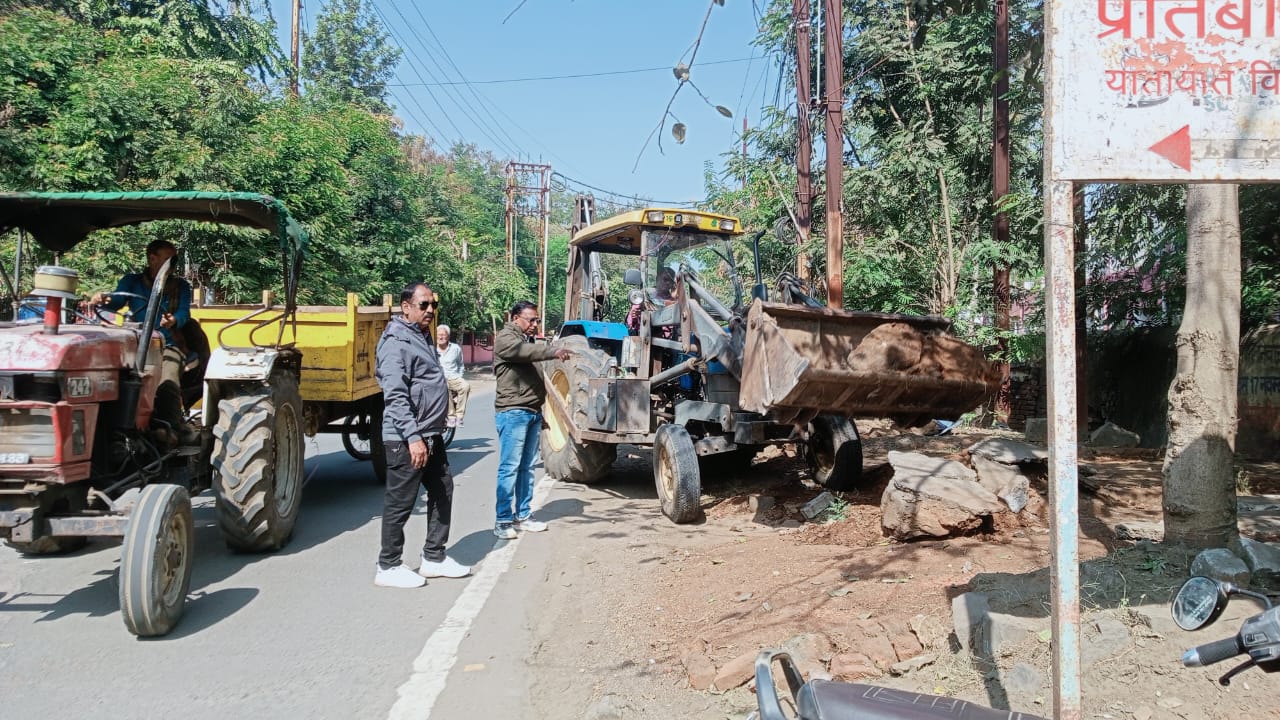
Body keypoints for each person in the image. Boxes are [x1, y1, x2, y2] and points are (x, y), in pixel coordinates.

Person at [373, 282, 470, 588]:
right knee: (400, 502)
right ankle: (388, 566)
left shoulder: (420, 335)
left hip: (430, 434)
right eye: (424, 305)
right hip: (407, 438)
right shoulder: (395, 342)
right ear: (406, 307)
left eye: (432, 305)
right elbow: (396, 395)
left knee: (443, 490)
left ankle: (434, 557)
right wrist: (413, 437)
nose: (430, 310)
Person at [90, 239, 196, 443]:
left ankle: (173, 430)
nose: (172, 265)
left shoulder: (180, 286)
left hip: (167, 344)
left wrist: (174, 320)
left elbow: (185, 312)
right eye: (168, 259)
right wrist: (104, 299)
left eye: (174, 260)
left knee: (167, 380)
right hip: (135, 346)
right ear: (152, 258)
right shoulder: (131, 281)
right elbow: (116, 302)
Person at [492, 300, 572, 539]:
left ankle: (523, 516)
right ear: (515, 318)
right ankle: (503, 520)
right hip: (513, 412)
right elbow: (525, 353)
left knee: (526, 469)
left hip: (530, 413)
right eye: (531, 320)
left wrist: (542, 414)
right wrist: (552, 350)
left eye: (537, 320)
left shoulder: (526, 341)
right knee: (510, 468)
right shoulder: (506, 339)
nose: (535, 324)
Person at [626, 266, 678, 336]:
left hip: (669, 339)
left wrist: (675, 296)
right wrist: (635, 317)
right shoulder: (645, 295)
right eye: (665, 279)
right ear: (657, 279)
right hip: (644, 335)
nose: (668, 283)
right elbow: (632, 320)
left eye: (671, 280)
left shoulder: (674, 300)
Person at [435, 324, 470, 427]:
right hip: (440, 380)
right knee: (445, 386)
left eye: (443, 335)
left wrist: (459, 376)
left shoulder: (455, 348)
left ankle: (459, 416)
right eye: (438, 335)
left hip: (454, 377)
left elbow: (460, 364)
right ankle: (451, 416)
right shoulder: (432, 349)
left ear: (448, 337)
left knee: (465, 386)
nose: (441, 337)